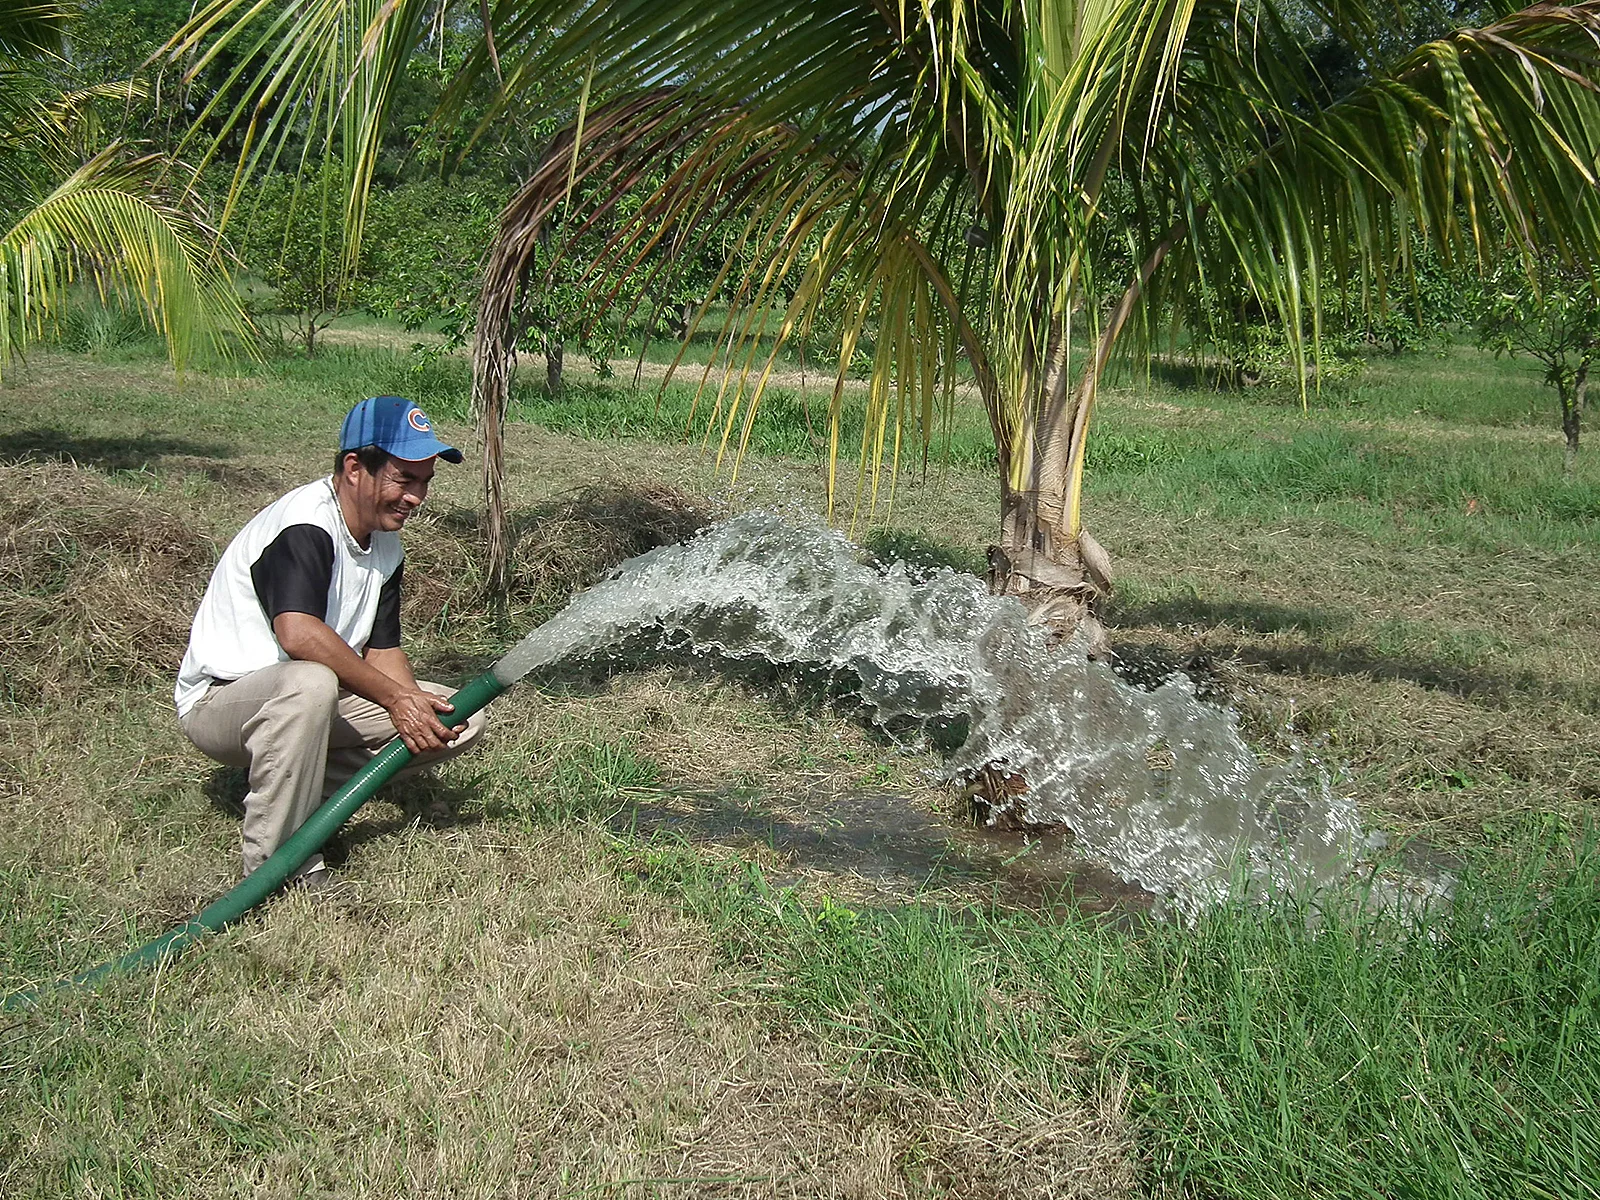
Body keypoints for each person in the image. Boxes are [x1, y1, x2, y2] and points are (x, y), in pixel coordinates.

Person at [174, 396, 487, 890]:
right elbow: (297, 633)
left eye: (425, 482)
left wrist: (413, 709)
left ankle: (287, 800)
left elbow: (382, 651)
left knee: (458, 718)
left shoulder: (385, 544)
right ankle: (277, 867)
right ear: (355, 467)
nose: (417, 497)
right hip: (224, 702)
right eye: (404, 480)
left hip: (305, 699)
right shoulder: (306, 524)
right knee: (311, 682)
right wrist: (394, 699)